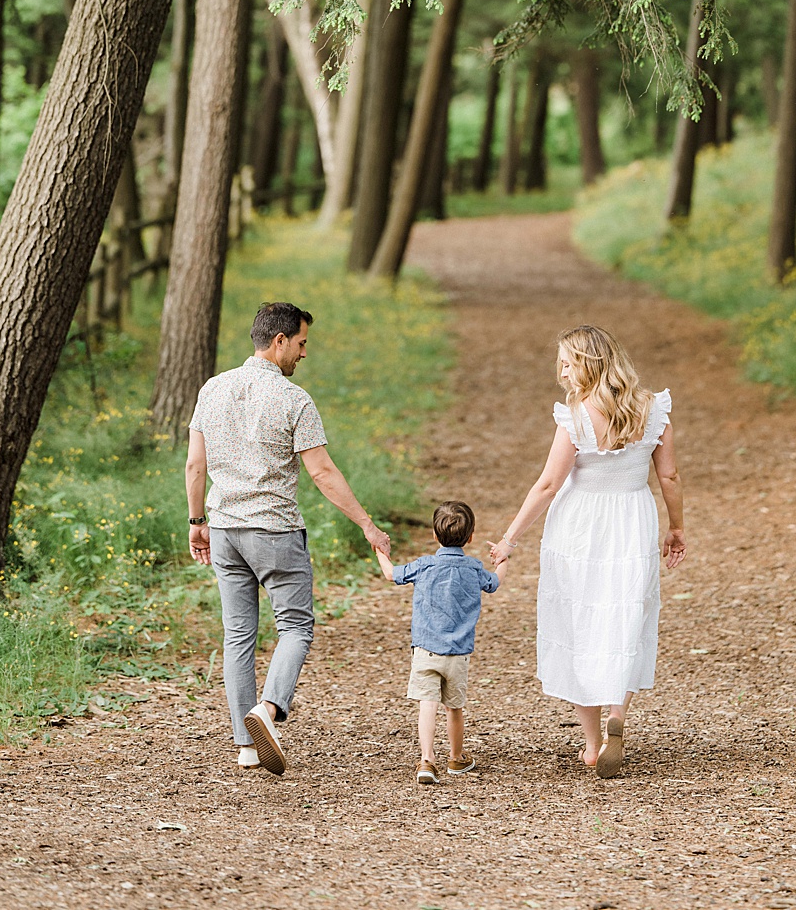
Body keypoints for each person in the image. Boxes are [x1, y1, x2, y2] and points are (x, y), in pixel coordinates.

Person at [186, 300, 391, 775]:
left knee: (237, 635)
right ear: (278, 341)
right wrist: (365, 523)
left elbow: (196, 465)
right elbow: (321, 471)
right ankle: (270, 709)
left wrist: (197, 523)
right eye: (301, 344)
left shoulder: (212, 389)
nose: (303, 354)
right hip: (274, 530)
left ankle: (245, 744)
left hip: (224, 530)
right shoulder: (293, 400)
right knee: (296, 627)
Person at [490, 324, 685, 779]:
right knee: (625, 615)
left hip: (579, 528)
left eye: (567, 360)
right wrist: (676, 527)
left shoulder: (577, 416)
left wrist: (510, 539)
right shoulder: (653, 409)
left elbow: (548, 484)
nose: (560, 369)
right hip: (633, 520)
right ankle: (619, 710)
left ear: (589, 363)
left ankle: (594, 744)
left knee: (579, 622)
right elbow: (670, 477)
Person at [374, 499, 502, 786]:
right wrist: (502, 561)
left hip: (426, 649)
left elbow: (390, 573)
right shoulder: (474, 568)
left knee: (427, 704)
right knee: (454, 708)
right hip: (458, 653)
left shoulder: (424, 565)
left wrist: (381, 551)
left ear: (434, 534)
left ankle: (427, 759)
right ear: (470, 537)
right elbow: (494, 583)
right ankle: (456, 758)